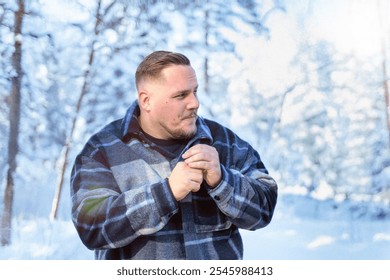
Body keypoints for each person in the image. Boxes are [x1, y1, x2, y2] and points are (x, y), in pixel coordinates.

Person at [70, 50, 278, 260]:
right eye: (181, 95)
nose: (194, 103)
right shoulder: (101, 151)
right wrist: (165, 194)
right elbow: (91, 228)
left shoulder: (223, 141)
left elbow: (265, 208)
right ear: (146, 100)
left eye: (195, 91)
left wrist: (223, 181)